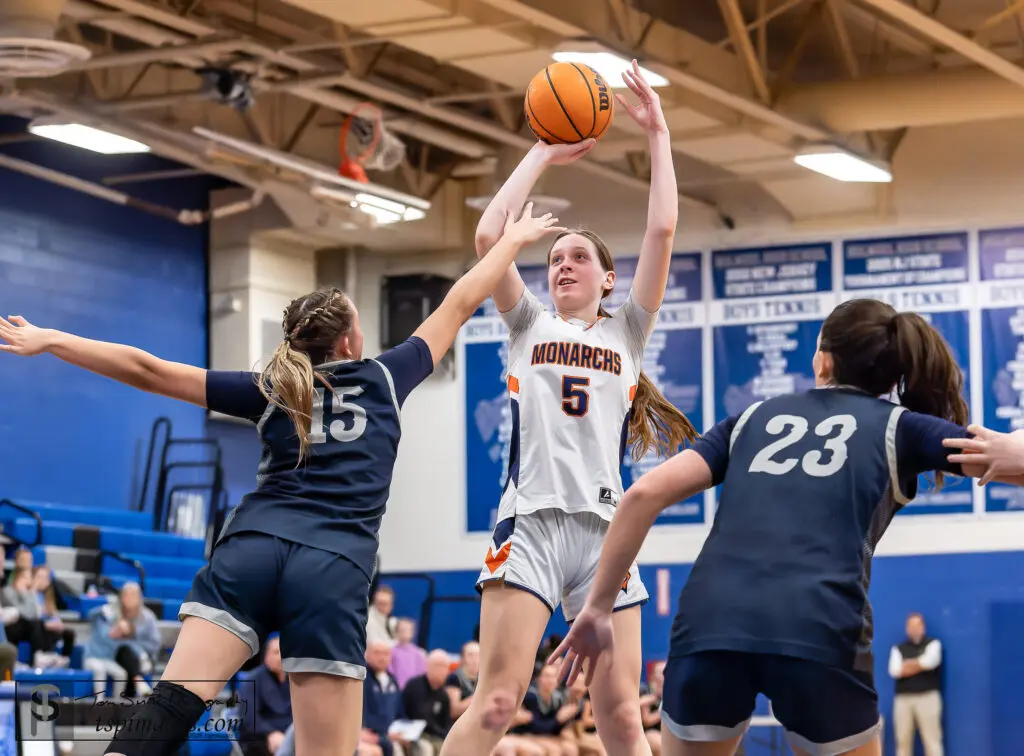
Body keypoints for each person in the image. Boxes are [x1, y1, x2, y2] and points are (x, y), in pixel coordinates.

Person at [0, 203, 564, 756]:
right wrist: (512, 243)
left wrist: (52, 339)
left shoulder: (271, 386)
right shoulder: (386, 377)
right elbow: (462, 299)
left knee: (169, 707)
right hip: (331, 566)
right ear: (347, 342)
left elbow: (148, 369)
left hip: (251, 550)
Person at [551, 298, 999, 756]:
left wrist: (598, 608)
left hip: (711, 623)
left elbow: (642, 496)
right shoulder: (902, 428)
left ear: (823, 360)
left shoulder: (750, 419)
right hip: (819, 627)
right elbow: (1003, 456)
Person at [441, 60, 697, 756]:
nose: (562, 263)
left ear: (607, 278)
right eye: (555, 256)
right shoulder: (527, 324)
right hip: (530, 524)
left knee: (619, 712)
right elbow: (490, 241)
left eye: (577, 255)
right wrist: (542, 150)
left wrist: (659, 137)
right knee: (497, 702)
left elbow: (664, 231)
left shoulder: (627, 332)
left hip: (606, 533)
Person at [889, 613, 943, 756]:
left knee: (932, 741)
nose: (914, 629)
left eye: (917, 625)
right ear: (907, 628)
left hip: (928, 698)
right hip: (903, 700)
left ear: (923, 627)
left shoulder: (933, 644)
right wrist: (919, 665)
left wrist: (910, 665)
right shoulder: (898, 648)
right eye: (911, 626)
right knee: (902, 742)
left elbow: (930, 662)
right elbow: (894, 670)